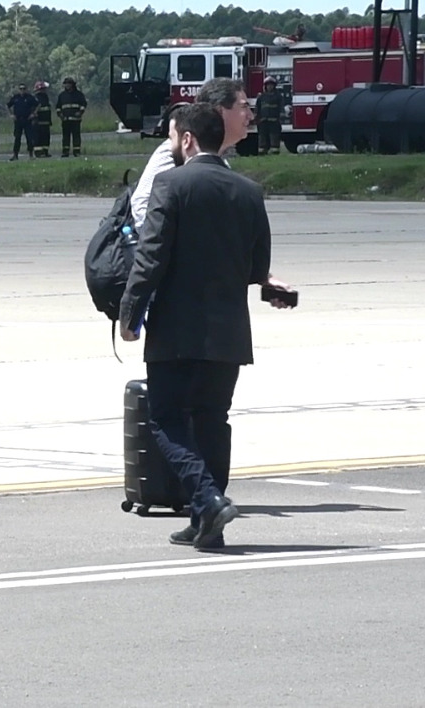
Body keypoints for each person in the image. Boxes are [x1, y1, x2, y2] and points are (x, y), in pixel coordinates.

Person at [119, 86, 295, 551]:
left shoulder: (171, 185)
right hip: (229, 331)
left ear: (191, 141)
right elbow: (259, 267)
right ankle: (205, 521)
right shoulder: (249, 191)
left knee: (166, 418)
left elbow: (151, 257)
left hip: (178, 328)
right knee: (214, 420)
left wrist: (130, 312)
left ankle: (208, 498)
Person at [55, 77, 88, 157]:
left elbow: (83, 105)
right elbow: (58, 107)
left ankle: (76, 151)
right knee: (66, 136)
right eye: (66, 84)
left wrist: (80, 112)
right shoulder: (62, 95)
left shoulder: (79, 95)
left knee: (76, 136)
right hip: (65, 120)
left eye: (69, 83)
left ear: (72, 84)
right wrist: (60, 114)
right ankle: (65, 151)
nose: (67, 85)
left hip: (76, 120)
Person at [7, 83, 37, 160]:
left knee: (29, 137)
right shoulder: (15, 97)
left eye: (24, 89)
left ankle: (31, 155)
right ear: (19, 90)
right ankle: (15, 155)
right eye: (21, 89)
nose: (22, 90)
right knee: (17, 138)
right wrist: (11, 115)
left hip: (27, 120)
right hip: (18, 120)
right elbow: (8, 105)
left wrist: (33, 114)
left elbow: (38, 105)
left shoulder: (30, 97)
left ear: (26, 89)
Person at [255, 79, 285, 154]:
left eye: (271, 85)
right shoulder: (261, 97)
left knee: (274, 135)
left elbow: (281, 106)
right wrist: (256, 117)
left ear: (274, 86)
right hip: (263, 120)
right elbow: (257, 107)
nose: (269, 87)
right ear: (265, 86)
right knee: (262, 136)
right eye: (268, 85)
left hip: (274, 120)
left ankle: (275, 150)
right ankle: (262, 150)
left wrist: (281, 114)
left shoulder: (278, 96)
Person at [30, 81, 53, 157]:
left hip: (45, 122)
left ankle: (45, 151)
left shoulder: (45, 97)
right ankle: (38, 153)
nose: (44, 90)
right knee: (38, 138)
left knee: (46, 137)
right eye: (43, 89)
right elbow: (33, 111)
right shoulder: (35, 98)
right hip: (38, 122)